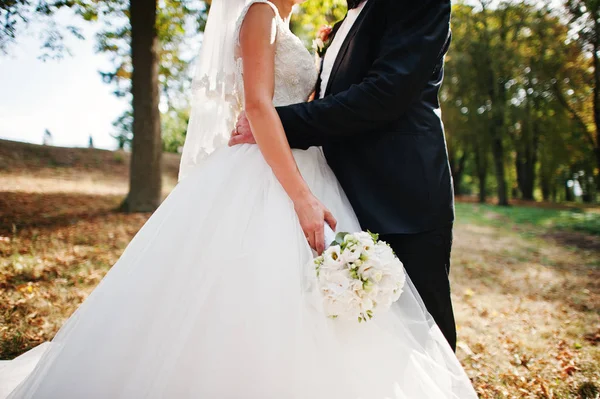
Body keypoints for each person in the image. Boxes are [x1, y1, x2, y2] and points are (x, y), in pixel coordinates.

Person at [0, 0, 476, 397]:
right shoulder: (264, 14)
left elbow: (387, 91)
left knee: (419, 327)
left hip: (397, 191)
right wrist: (283, 147)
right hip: (292, 180)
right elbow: (259, 103)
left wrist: (282, 124)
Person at [230, 0, 458, 351]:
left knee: (422, 338)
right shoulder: (341, 24)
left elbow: (385, 94)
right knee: (357, 339)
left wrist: (277, 123)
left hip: (402, 200)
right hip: (341, 198)